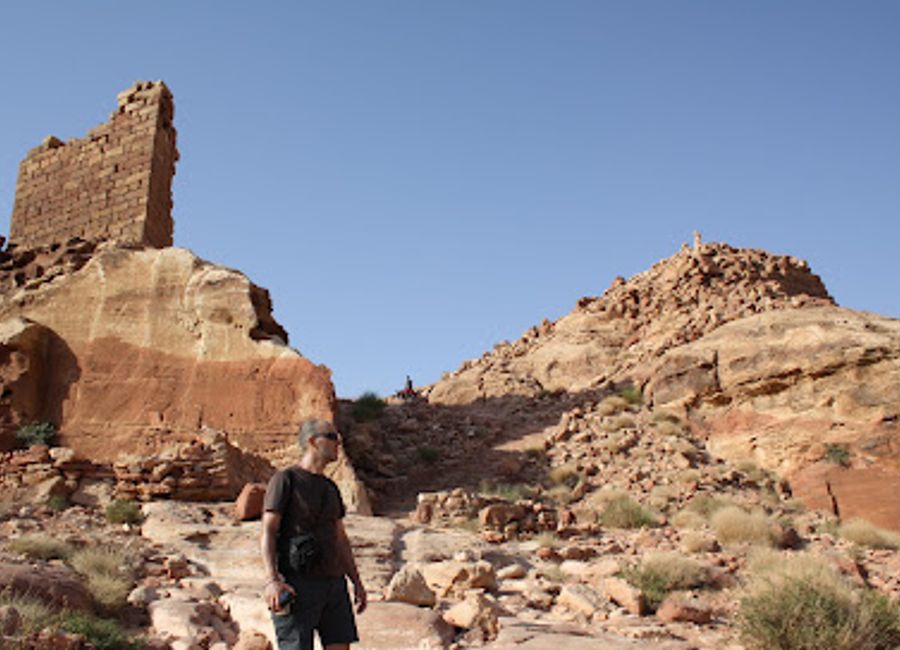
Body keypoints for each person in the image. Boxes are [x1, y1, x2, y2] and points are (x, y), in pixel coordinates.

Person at [261, 419, 367, 650]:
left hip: (333, 583)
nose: (338, 443)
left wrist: (356, 582)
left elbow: (340, 538)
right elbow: (268, 530)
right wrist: (272, 580)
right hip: (297, 583)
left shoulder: (330, 488)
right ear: (312, 442)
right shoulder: (285, 480)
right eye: (331, 437)